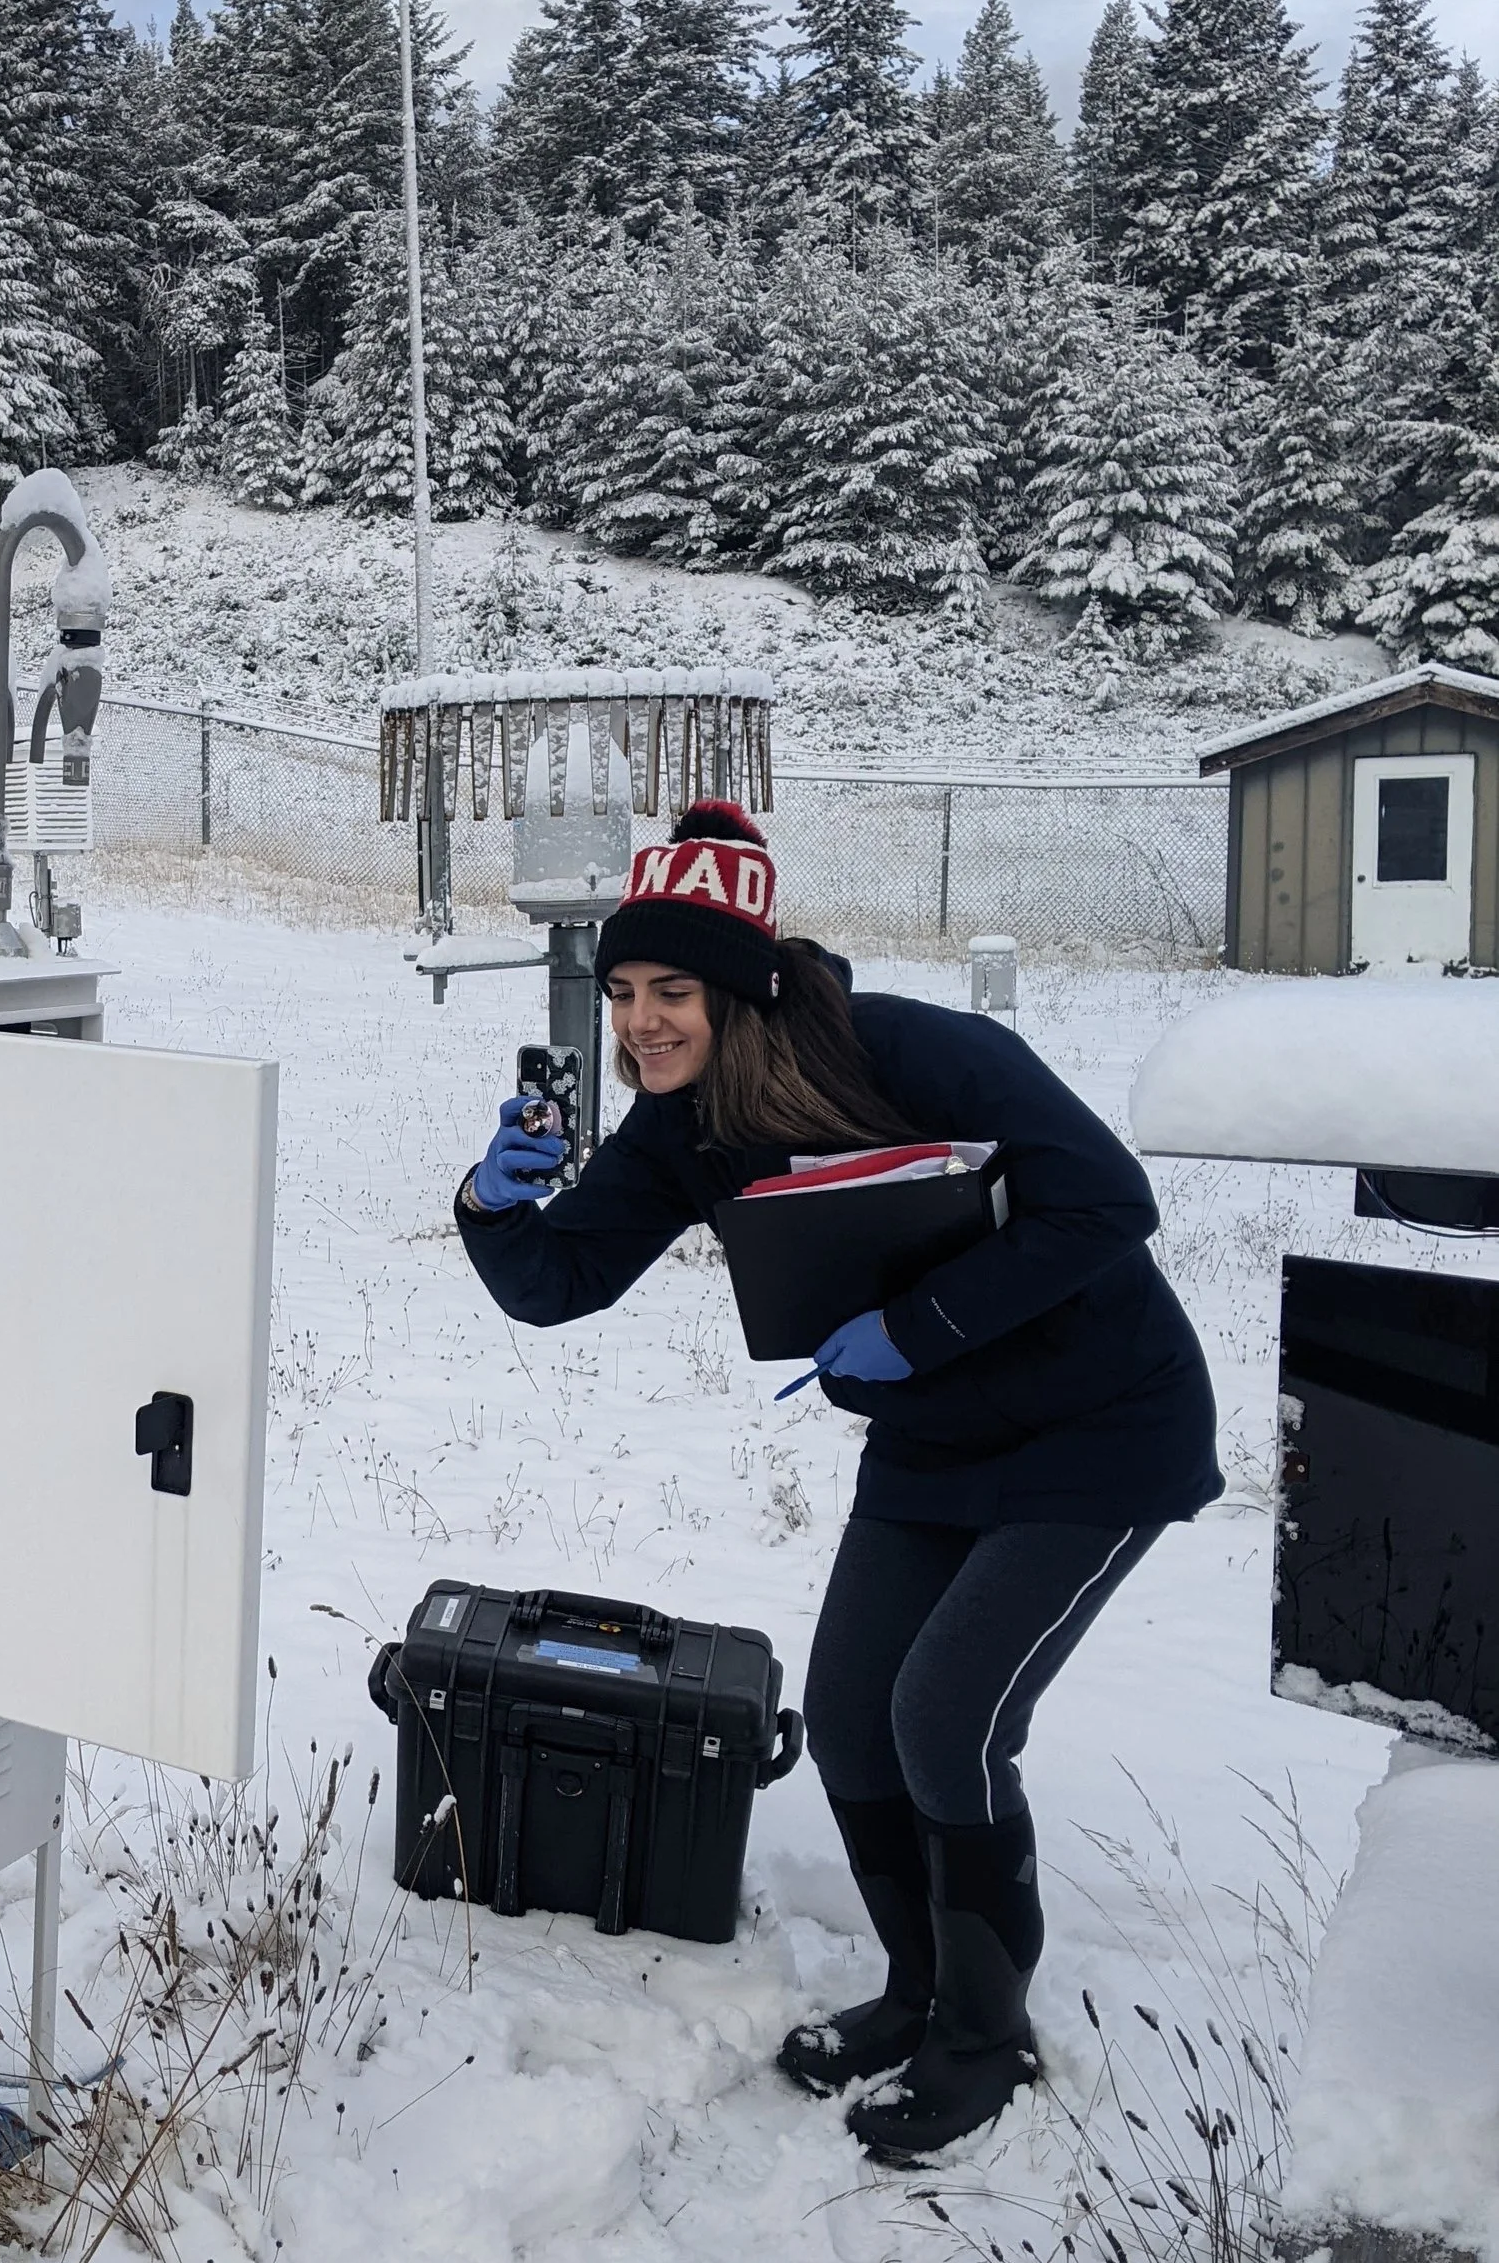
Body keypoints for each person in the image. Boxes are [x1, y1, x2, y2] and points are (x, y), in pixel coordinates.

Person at [456, 800, 1218, 2160]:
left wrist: (916, 1329)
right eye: (622, 991)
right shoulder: (679, 1124)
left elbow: (1106, 1200)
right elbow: (559, 1283)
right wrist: (491, 1202)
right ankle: (920, 1992)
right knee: (858, 1725)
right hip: (932, 1442)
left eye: (671, 990)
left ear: (740, 988)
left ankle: (989, 2039)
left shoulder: (918, 1052)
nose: (640, 1023)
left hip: (1100, 1430)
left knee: (947, 1719)